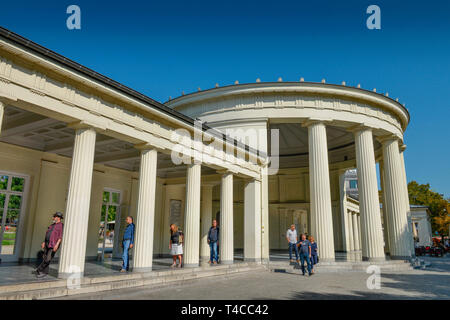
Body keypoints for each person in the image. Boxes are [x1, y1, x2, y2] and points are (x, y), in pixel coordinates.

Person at [35, 212, 64, 278]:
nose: (53, 218)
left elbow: (60, 236)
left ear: (58, 218)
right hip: (47, 243)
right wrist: (44, 242)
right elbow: (47, 235)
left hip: (53, 244)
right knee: (45, 258)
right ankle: (44, 272)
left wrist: (57, 245)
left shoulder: (61, 225)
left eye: (54, 217)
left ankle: (39, 269)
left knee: (48, 259)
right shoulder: (52, 225)